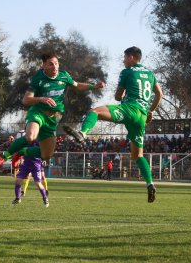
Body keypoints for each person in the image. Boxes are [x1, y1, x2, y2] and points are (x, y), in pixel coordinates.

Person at [63, 46, 163, 203]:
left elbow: (117, 97)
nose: (123, 61)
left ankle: (83, 134)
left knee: (94, 112)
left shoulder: (127, 72)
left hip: (128, 110)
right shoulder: (150, 74)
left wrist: (122, 94)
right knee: (138, 155)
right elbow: (159, 94)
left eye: (124, 57)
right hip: (142, 117)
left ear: (131, 57)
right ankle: (150, 184)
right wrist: (150, 111)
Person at [0, 52, 105, 168]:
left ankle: (21, 152)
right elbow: (26, 100)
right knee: (31, 136)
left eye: (56, 63)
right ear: (44, 66)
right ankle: (3, 157)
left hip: (52, 119)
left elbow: (76, 85)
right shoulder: (38, 78)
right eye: (51, 64)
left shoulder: (64, 76)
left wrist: (93, 86)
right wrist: (41, 99)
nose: (55, 67)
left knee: (46, 155)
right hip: (38, 113)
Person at [11, 142, 49, 207]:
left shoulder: (38, 140)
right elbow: (19, 146)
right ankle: (18, 198)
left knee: (38, 183)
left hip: (36, 164)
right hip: (26, 164)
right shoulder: (26, 140)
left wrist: (43, 158)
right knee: (18, 180)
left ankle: (45, 198)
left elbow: (44, 149)